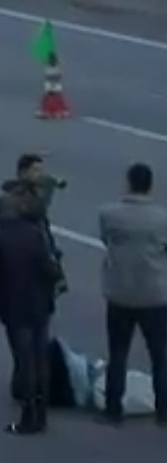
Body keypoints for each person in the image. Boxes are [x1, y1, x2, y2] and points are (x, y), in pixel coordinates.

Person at [0, 194, 64, 435]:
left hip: (13, 307)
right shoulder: (34, 234)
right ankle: (42, 414)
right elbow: (50, 269)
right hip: (39, 304)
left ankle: (29, 415)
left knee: (24, 360)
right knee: (40, 359)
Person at [98, 162, 167, 426]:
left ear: (128, 183)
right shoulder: (162, 218)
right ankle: (164, 410)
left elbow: (106, 240)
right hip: (155, 294)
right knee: (159, 355)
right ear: (150, 186)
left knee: (118, 353)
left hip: (120, 292)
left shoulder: (109, 213)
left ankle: (113, 409)